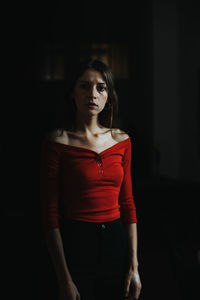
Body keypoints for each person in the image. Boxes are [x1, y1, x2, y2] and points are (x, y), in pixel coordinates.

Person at [40, 59, 142, 300]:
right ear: (72, 93)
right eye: (84, 86)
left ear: (108, 96)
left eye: (101, 87)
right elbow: (49, 213)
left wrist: (134, 267)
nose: (93, 94)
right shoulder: (57, 142)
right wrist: (63, 278)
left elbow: (128, 203)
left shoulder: (122, 140)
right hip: (76, 243)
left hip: (116, 243)